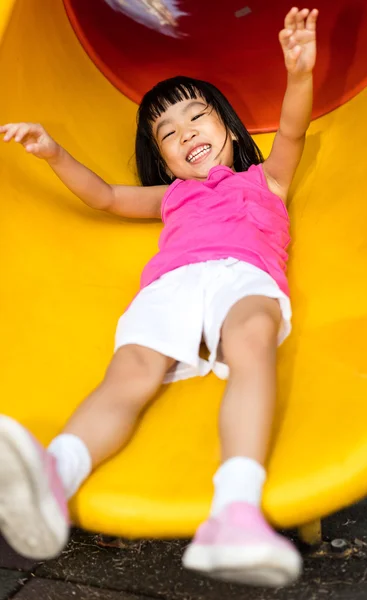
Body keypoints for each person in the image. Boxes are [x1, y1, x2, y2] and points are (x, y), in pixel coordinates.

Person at [0, 7, 318, 588]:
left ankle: (236, 512)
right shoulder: (169, 198)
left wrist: (298, 74)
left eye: (197, 117)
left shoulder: (265, 179)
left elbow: (293, 130)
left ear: (226, 125)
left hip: (243, 274)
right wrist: (53, 153)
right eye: (167, 134)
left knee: (252, 338)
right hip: (171, 283)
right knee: (131, 371)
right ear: (163, 159)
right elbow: (101, 196)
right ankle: (54, 479)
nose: (185, 133)